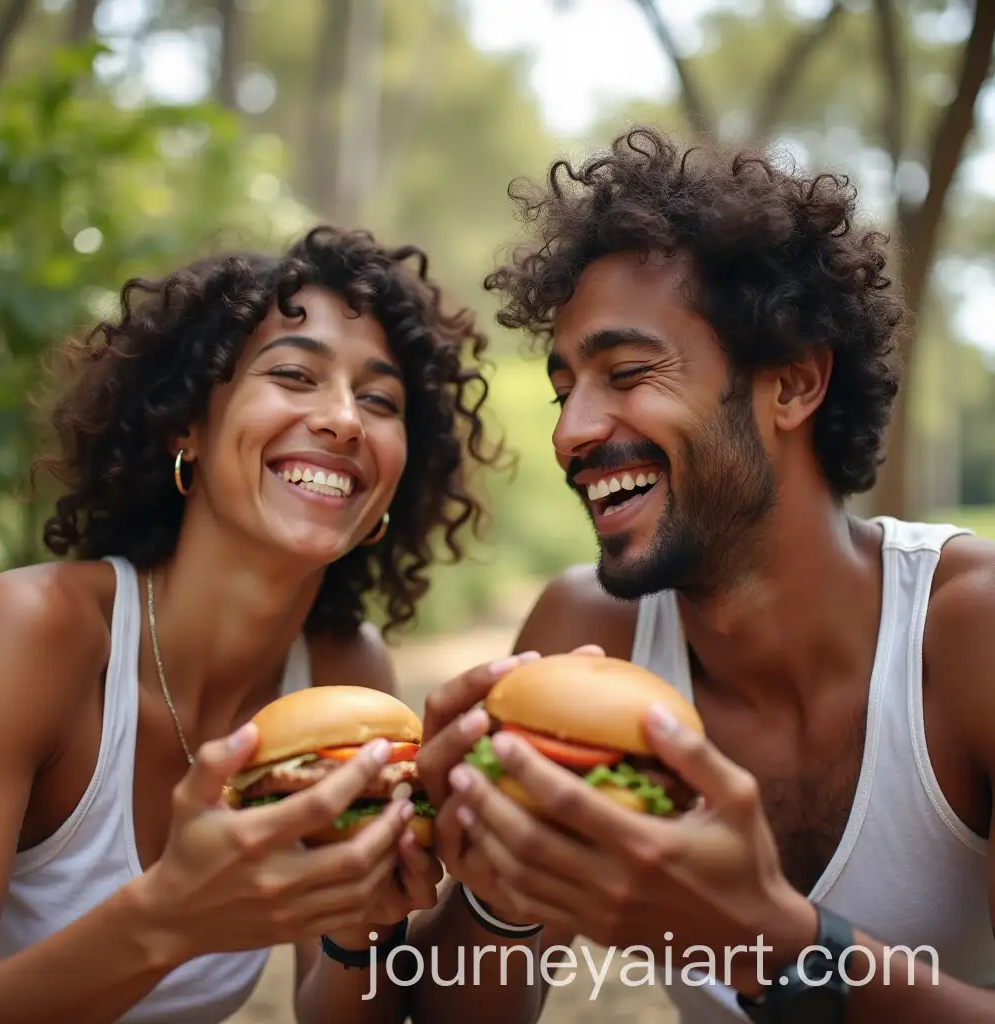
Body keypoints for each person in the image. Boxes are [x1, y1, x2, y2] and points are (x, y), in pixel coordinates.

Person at [416, 126, 995, 1024]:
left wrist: (769, 939)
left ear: (794, 386)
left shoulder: (970, 632)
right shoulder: (585, 643)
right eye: (567, 386)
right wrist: (497, 886)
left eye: (629, 371)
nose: (571, 430)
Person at [0, 225, 516, 1024]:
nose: (344, 421)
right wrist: (167, 918)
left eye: (380, 399)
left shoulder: (345, 675)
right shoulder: (34, 631)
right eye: (294, 374)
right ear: (184, 424)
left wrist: (362, 928)